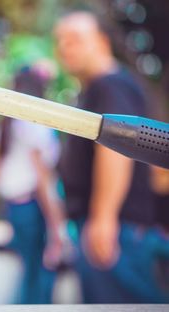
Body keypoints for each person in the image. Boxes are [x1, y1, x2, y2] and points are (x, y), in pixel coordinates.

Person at [54, 11, 169, 303]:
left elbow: (115, 152)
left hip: (117, 230)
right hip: (119, 227)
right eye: (61, 41)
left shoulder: (110, 85)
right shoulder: (100, 87)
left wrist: (103, 218)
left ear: (102, 42)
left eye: (76, 39)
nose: (65, 47)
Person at [0, 65, 67, 304]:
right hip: (34, 205)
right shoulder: (35, 122)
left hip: (13, 206)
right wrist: (56, 222)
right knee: (41, 273)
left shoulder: (0, 125)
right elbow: (43, 179)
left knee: (28, 270)